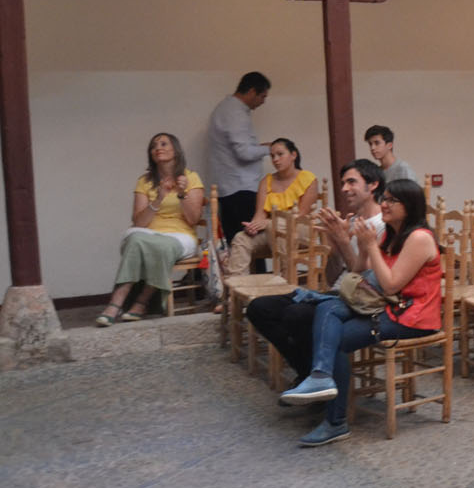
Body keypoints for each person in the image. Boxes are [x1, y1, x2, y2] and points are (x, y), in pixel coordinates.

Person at [278, 178, 442, 446]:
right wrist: (357, 244)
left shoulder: (419, 238)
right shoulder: (391, 233)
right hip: (387, 306)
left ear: (409, 206)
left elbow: (391, 284)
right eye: (384, 198)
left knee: (338, 339)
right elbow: (357, 273)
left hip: (413, 317)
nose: (384, 204)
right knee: (327, 306)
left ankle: (335, 420)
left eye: (391, 200)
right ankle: (320, 377)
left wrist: (371, 246)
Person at [246, 159, 385, 387]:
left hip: (361, 300)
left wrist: (344, 242)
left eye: (352, 182)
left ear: (373, 185)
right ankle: (308, 372)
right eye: (343, 183)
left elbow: (366, 280)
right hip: (337, 292)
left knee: (296, 314)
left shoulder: (382, 225)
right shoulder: (351, 222)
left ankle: (317, 378)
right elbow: (331, 278)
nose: (344, 189)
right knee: (259, 308)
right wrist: (334, 246)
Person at [96, 133, 206, 326]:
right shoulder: (145, 181)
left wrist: (182, 194)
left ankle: (140, 302)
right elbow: (139, 223)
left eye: (163, 144)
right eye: (154, 146)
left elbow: (193, 219)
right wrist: (159, 198)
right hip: (149, 233)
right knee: (135, 238)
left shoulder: (191, 178)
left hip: (180, 236)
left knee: (159, 246)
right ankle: (118, 302)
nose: (158, 148)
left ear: (176, 150)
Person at [222, 137, 318, 277]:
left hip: (301, 230)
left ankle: (287, 278)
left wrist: (268, 223)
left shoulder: (308, 178)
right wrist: (253, 226)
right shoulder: (266, 181)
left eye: (280, 154)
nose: (275, 160)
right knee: (241, 238)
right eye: (272, 156)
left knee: (276, 224)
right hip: (271, 231)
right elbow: (259, 215)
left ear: (293, 155)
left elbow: (301, 214)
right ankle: (238, 286)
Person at [208, 71, 271, 243]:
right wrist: (270, 149)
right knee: (248, 243)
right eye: (262, 96)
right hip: (240, 189)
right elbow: (244, 153)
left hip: (230, 187)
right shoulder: (235, 113)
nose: (263, 102)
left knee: (236, 242)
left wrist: (260, 147)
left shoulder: (226, 108)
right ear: (252, 91)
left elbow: (240, 147)